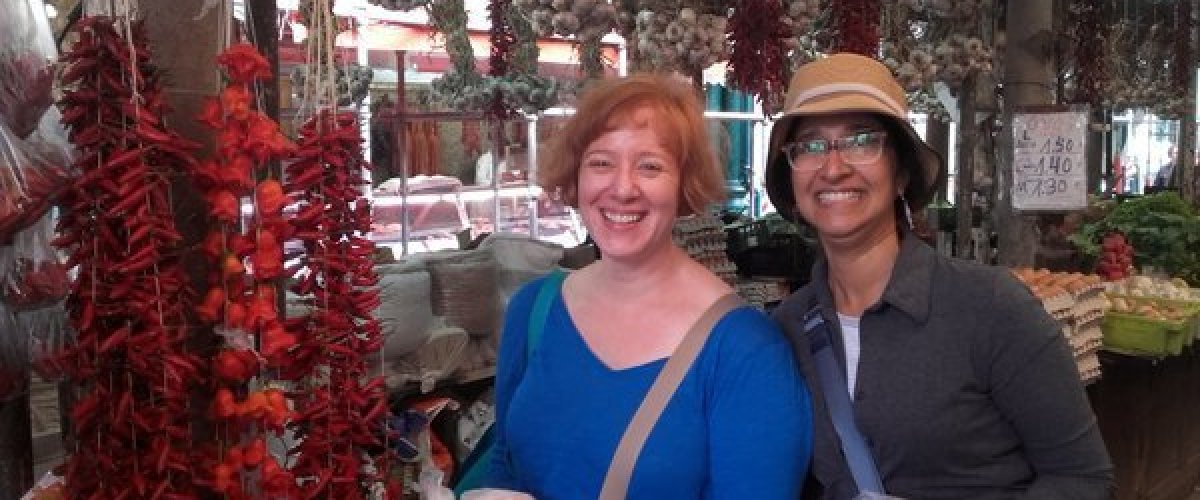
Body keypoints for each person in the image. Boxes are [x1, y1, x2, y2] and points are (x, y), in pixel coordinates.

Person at [764, 53, 1113, 499]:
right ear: (792, 181)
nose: (833, 168)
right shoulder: (788, 328)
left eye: (861, 141)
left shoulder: (990, 308)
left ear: (901, 173)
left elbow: (1082, 478)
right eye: (811, 146)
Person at [485, 73, 814, 498]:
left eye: (650, 166)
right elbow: (505, 459)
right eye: (601, 162)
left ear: (684, 185)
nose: (622, 189)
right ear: (576, 176)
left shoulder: (744, 350)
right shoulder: (534, 310)